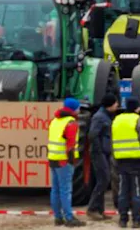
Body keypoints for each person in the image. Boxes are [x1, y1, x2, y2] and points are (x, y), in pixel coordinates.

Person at [112, 98, 140, 229]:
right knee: (137, 191)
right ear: (137, 108)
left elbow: (113, 141)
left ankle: (122, 220)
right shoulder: (139, 121)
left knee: (123, 192)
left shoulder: (116, 120)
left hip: (120, 161)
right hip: (137, 162)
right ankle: (137, 220)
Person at [48, 97, 86, 227]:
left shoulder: (54, 121)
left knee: (56, 189)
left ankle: (58, 218)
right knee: (66, 190)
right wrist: (72, 161)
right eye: (78, 107)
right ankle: (69, 218)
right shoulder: (71, 123)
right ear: (74, 109)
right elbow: (70, 146)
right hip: (64, 161)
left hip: (53, 158)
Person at [86, 95, 119, 221]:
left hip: (104, 153)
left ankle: (100, 210)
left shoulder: (105, 116)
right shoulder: (99, 117)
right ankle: (92, 209)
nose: (117, 106)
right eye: (116, 103)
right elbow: (93, 135)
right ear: (109, 105)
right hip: (99, 153)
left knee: (104, 180)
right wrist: (99, 151)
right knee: (103, 180)